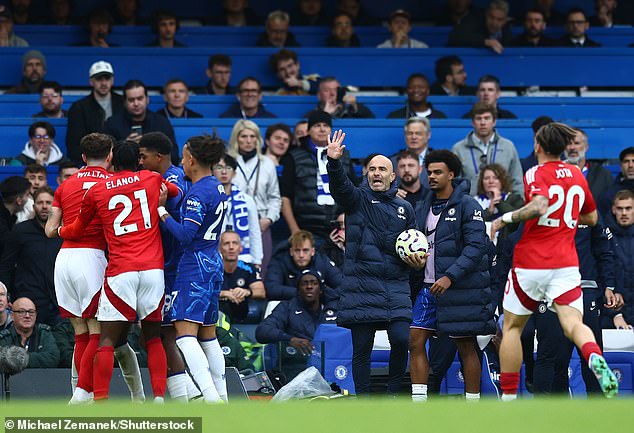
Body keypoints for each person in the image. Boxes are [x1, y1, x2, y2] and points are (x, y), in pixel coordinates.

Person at [490, 122, 619, 400]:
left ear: (538, 146)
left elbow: (539, 205)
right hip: (566, 265)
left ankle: (509, 399)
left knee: (512, 326)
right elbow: (593, 218)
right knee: (574, 324)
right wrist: (567, 218)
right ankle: (596, 359)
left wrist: (504, 219)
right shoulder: (576, 174)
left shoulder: (535, 172)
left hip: (531, 263)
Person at [55, 141, 179, 402]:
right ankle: (157, 399)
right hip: (152, 270)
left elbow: (77, 229)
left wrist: (59, 231)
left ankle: (99, 401)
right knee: (153, 339)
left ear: (113, 160)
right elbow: (176, 191)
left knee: (106, 341)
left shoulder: (98, 190)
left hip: (120, 270)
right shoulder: (152, 178)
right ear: (138, 160)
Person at [46, 133, 145, 403]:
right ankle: (84, 393)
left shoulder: (65, 185)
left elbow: (49, 230)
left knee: (80, 331)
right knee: (98, 333)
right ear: (110, 155)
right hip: (93, 259)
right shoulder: (114, 184)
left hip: (65, 259)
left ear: (83, 157)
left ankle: (81, 394)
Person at [326, 130, 419, 395]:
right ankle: (364, 400)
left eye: (382, 169)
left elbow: (415, 246)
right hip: (361, 288)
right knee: (362, 349)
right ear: (367, 174)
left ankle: (391, 394)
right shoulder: (356, 200)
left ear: (393, 176)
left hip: (395, 288)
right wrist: (334, 162)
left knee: (402, 340)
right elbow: (341, 187)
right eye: (372, 169)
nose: (376, 173)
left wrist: (417, 262)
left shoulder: (406, 209)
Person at [409, 149, 493, 401]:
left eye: (438, 172)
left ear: (451, 175)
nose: (431, 177)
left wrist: (450, 276)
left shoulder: (469, 205)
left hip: (459, 289)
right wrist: (414, 261)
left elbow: (477, 247)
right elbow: (418, 243)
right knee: (415, 340)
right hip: (428, 286)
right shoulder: (423, 205)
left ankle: (472, 405)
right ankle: (419, 403)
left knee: (465, 346)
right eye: (429, 172)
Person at [158, 135, 229, 403]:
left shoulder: (197, 193)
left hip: (195, 266)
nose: (181, 162)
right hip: (214, 261)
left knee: (186, 336)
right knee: (209, 334)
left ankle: (211, 399)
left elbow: (186, 235)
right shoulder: (218, 186)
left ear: (192, 159)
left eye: (184, 156)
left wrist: (162, 212)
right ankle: (222, 395)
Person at [137, 132, 194, 403]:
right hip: (164, 266)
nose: (140, 161)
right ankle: (187, 394)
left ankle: (189, 397)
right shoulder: (162, 178)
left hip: (173, 267)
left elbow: (176, 196)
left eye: (143, 156)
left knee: (167, 333)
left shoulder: (171, 179)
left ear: (158, 157)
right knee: (159, 333)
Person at [280, 111, 357, 242]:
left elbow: (353, 191)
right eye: (317, 125)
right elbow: (285, 197)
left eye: (325, 125)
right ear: (308, 130)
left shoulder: (343, 156)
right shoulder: (293, 157)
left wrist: (346, 219)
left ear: (331, 130)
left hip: (339, 227)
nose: (322, 129)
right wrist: (295, 231)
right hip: (306, 229)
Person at [256, 269, 337, 377]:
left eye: (314, 283)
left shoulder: (335, 308)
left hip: (332, 368)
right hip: (297, 369)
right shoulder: (287, 308)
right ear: (298, 290)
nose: (309, 286)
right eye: (305, 283)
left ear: (321, 289)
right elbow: (262, 331)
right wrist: (289, 339)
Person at [0, 186, 61, 326]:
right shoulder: (20, 231)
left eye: (48, 202)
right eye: (40, 203)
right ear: (34, 206)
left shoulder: (63, 233)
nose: (44, 206)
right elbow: (6, 265)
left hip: (59, 302)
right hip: (28, 302)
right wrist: (7, 293)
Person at [227, 119, 281, 272]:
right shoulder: (228, 162)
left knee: (258, 272)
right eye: (243, 136)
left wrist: (269, 219)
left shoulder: (267, 163)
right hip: (232, 224)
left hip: (261, 223)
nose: (248, 141)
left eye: (252, 136)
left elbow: (275, 197)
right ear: (236, 138)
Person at [451, 102, 524, 196]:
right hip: (469, 206)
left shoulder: (508, 147)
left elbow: (517, 182)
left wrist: (516, 206)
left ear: (494, 121)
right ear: (472, 122)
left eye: (486, 118)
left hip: (504, 207)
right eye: (478, 118)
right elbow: (454, 184)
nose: (482, 123)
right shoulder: (458, 149)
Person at [103, 79, 179, 162]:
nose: (136, 103)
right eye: (131, 100)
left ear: (147, 99)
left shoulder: (161, 123)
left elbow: (174, 155)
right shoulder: (112, 124)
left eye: (140, 98)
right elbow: (105, 157)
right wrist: (125, 146)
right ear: (124, 102)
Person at [66, 60, 124, 165]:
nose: (103, 83)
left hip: (120, 160)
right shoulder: (79, 107)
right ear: (91, 81)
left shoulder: (123, 103)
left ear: (112, 80)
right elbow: (73, 143)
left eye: (107, 78)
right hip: (91, 161)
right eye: (99, 79)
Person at [265, 230, 342, 301]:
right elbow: (272, 289)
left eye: (305, 250)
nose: (301, 255)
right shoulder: (279, 261)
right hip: (287, 306)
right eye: (297, 250)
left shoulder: (322, 261)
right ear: (291, 251)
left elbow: (343, 285)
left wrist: (322, 294)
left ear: (312, 251)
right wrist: (305, 292)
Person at [214, 155, 263, 266]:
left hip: (243, 258)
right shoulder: (207, 199)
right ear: (212, 171)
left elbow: (254, 232)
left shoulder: (246, 200)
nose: (224, 172)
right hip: (215, 259)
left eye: (228, 168)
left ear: (235, 173)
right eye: (219, 168)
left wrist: (257, 261)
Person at [219, 231, 266, 324]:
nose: (231, 247)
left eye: (235, 243)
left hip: (241, 312)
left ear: (240, 248)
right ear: (220, 248)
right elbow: (200, 291)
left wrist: (246, 292)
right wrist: (224, 294)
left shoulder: (249, 268)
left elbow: (261, 292)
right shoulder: (210, 269)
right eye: (226, 243)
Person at [0, 297, 60, 368]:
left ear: (36, 315)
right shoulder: (4, 337)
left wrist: (19, 359)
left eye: (31, 312)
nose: (27, 316)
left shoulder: (44, 333)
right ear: (12, 315)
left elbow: (52, 358)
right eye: (22, 312)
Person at [606, 190, 634, 329]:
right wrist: (615, 314)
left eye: (628, 208)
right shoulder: (604, 239)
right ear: (613, 209)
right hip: (612, 316)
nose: (624, 213)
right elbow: (601, 278)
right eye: (620, 208)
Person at [565, 128, 613, 201]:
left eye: (576, 143)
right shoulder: (554, 173)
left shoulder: (603, 175)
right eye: (568, 143)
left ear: (586, 147)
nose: (572, 147)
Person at [448, 0, 513, 54]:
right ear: (486, 15)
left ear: (505, 21)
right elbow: (455, 37)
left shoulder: (507, 32)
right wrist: (485, 42)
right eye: (491, 17)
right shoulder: (475, 19)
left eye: (499, 19)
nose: (494, 23)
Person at [390, 118, 434, 190]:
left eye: (418, 133)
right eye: (410, 133)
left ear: (428, 135)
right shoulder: (392, 162)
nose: (414, 137)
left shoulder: (438, 161)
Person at [307, 77, 374, 119]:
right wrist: (325, 114)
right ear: (319, 95)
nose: (332, 94)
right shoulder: (311, 115)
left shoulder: (351, 110)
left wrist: (354, 105)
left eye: (336, 90)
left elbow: (372, 120)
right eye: (327, 90)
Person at [0, 176, 31, 260]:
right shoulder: (3, 224)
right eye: (27, 195)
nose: (29, 199)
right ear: (19, 201)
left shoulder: (10, 218)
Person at [598, 147, 634, 218]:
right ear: (620, 165)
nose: (630, 165)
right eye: (626, 161)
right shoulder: (608, 195)